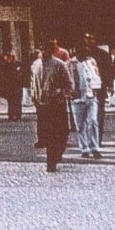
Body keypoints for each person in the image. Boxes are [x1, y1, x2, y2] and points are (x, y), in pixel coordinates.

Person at [30, 38, 74, 172]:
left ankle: (58, 153)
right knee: (50, 134)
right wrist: (34, 95)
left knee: (62, 132)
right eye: (42, 49)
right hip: (42, 105)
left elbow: (69, 85)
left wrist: (61, 92)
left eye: (47, 49)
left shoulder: (60, 65)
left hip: (57, 103)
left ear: (52, 50)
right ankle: (51, 161)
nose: (44, 52)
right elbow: (32, 81)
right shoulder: (35, 65)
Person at [69, 41, 102, 159]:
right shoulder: (71, 63)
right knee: (80, 125)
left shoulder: (91, 61)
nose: (86, 54)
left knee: (93, 121)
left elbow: (97, 76)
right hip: (78, 97)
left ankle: (95, 147)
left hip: (91, 96)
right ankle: (84, 148)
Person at [85, 33, 112, 145]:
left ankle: (97, 139)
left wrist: (109, 85)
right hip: (84, 89)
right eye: (86, 38)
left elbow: (108, 71)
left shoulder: (103, 54)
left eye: (91, 38)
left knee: (98, 114)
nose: (88, 40)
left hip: (99, 88)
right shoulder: (81, 54)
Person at [0, 51, 23, 120]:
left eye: (13, 56)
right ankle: (11, 115)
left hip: (18, 85)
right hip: (10, 86)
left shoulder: (19, 64)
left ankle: (18, 115)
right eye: (11, 56)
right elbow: (5, 76)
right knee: (11, 101)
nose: (12, 57)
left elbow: (22, 73)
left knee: (18, 101)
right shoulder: (7, 65)